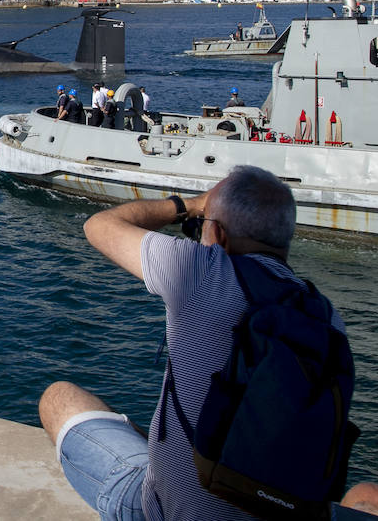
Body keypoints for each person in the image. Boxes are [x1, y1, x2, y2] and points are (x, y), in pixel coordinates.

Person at [38, 165, 347, 520]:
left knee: (59, 398)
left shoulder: (200, 271)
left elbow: (99, 226)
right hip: (285, 507)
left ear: (217, 233)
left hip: (169, 512)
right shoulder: (326, 317)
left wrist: (192, 205)